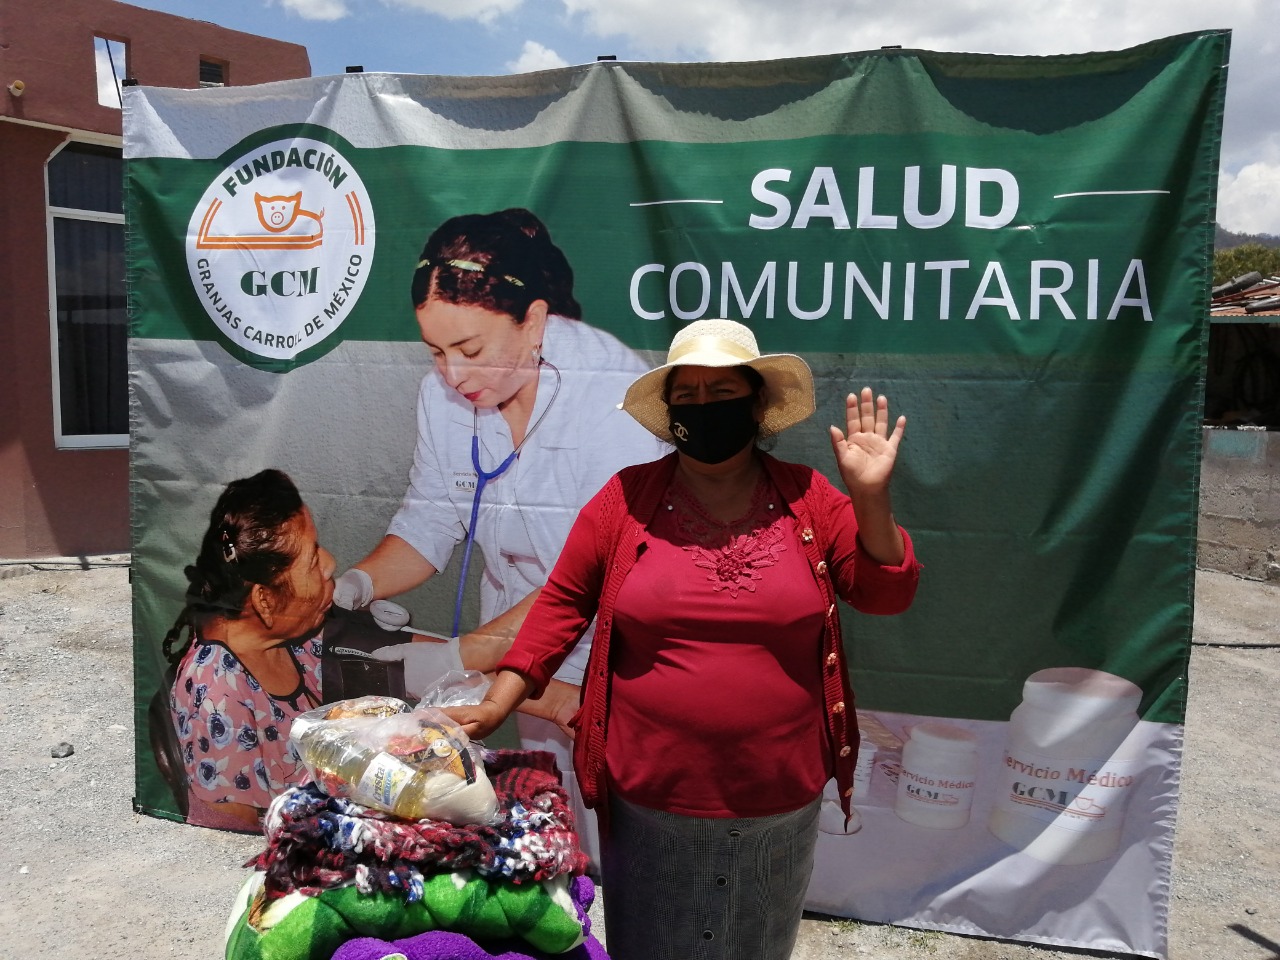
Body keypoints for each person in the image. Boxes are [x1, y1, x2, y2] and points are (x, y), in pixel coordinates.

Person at [444, 319, 922, 960]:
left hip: (776, 797)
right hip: (647, 797)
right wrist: (499, 702)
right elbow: (561, 606)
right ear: (668, 413)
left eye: (721, 392)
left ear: (757, 403)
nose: (704, 409)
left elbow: (885, 593)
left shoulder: (810, 501)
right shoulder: (625, 501)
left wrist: (871, 499)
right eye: (686, 396)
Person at [331, 208, 666, 865]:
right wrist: (358, 582)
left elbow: (589, 580)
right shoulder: (446, 397)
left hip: (617, 658)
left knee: (627, 847)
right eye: (436, 352)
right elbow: (431, 519)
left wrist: (459, 656)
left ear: (535, 322)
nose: (454, 375)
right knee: (554, 840)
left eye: (471, 350)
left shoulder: (613, 403)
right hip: (523, 670)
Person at [163, 468, 336, 832]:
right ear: (264, 601)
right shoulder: (217, 695)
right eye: (314, 559)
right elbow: (227, 840)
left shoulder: (293, 637)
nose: (331, 563)